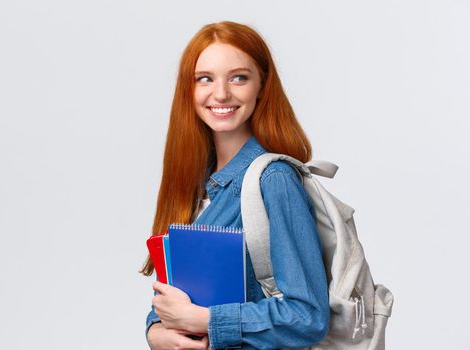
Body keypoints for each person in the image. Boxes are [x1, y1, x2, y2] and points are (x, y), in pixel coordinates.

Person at [140, 21, 330, 350]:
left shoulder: (274, 179)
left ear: (262, 86)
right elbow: (176, 299)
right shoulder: (197, 181)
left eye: (238, 77)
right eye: (205, 79)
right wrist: (155, 330)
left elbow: (308, 315)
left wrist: (205, 321)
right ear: (189, 89)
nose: (221, 94)